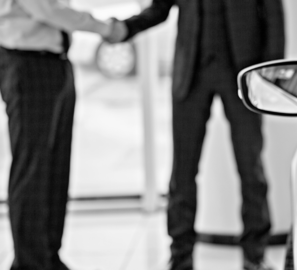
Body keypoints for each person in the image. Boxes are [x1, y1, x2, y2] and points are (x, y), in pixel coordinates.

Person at [107, 0, 285, 269]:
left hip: (243, 72)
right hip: (191, 73)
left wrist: (271, 74)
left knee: (251, 169)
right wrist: (124, 29)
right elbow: (159, 9)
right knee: (183, 172)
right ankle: (180, 256)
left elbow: (273, 12)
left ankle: (254, 255)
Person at [0, 1, 124, 269]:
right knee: (33, 170)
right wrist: (105, 28)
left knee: (55, 170)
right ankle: (29, 263)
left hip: (53, 61)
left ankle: (48, 256)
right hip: (28, 62)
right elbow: (47, 9)